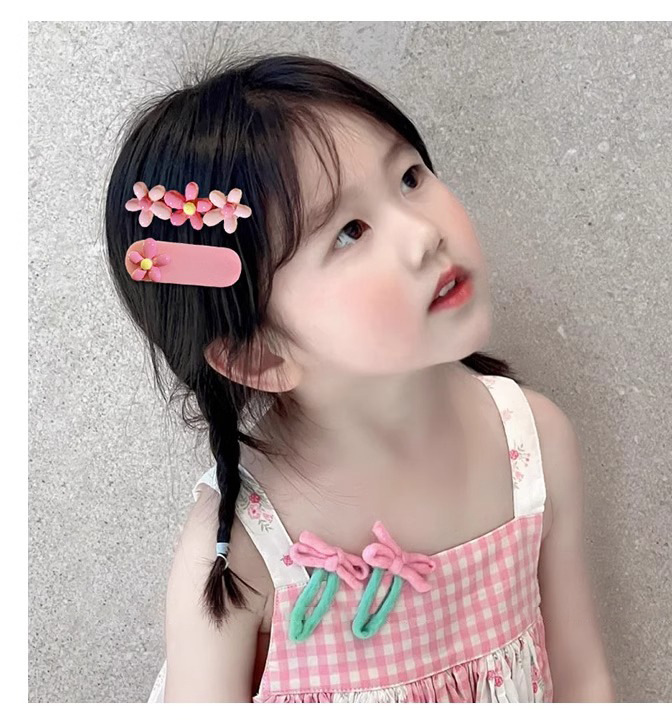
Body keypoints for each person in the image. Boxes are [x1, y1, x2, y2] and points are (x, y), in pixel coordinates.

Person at [104, 51, 615, 703]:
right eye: (349, 232)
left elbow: (583, 680)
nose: (423, 234)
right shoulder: (238, 552)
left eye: (409, 177)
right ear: (260, 356)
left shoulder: (533, 443)